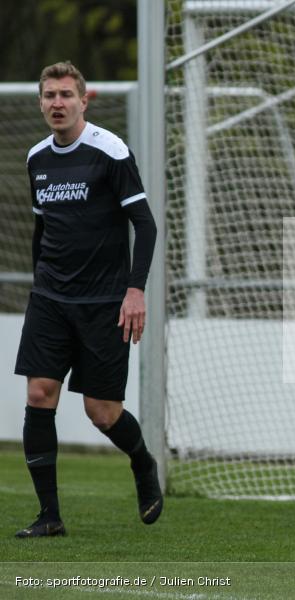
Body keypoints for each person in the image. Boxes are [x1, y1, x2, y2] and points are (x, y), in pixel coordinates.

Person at [13, 61, 161, 538]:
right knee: (39, 394)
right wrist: (41, 283)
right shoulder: (36, 158)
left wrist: (134, 291)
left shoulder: (109, 151)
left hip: (104, 302)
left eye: (65, 95)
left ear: (83, 100)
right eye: (49, 95)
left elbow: (145, 224)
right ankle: (49, 516)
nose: (57, 103)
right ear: (40, 102)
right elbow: (42, 228)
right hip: (52, 298)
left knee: (102, 412)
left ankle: (142, 463)